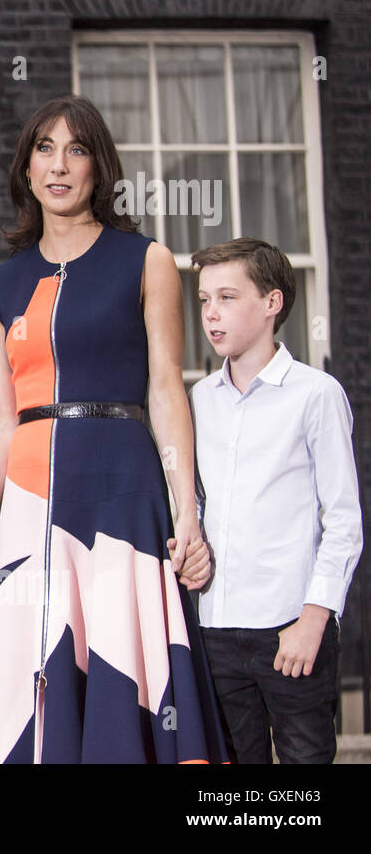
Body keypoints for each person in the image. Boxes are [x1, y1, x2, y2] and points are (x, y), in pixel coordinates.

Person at [0, 94, 229, 763]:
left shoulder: (148, 260)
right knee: (32, 666)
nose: (59, 164)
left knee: (118, 658)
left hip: (121, 484)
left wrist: (186, 508)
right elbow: (0, 417)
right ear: (26, 169)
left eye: (76, 149)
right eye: (44, 148)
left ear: (99, 168)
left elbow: (167, 388)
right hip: (28, 496)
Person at [191, 238, 362, 763]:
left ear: (272, 303)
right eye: (203, 300)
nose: (211, 314)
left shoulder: (316, 394)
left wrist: (314, 619)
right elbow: (198, 503)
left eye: (227, 297)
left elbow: (344, 521)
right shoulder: (198, 400)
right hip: (216, 629)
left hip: (292, 626)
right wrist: (189, 541)